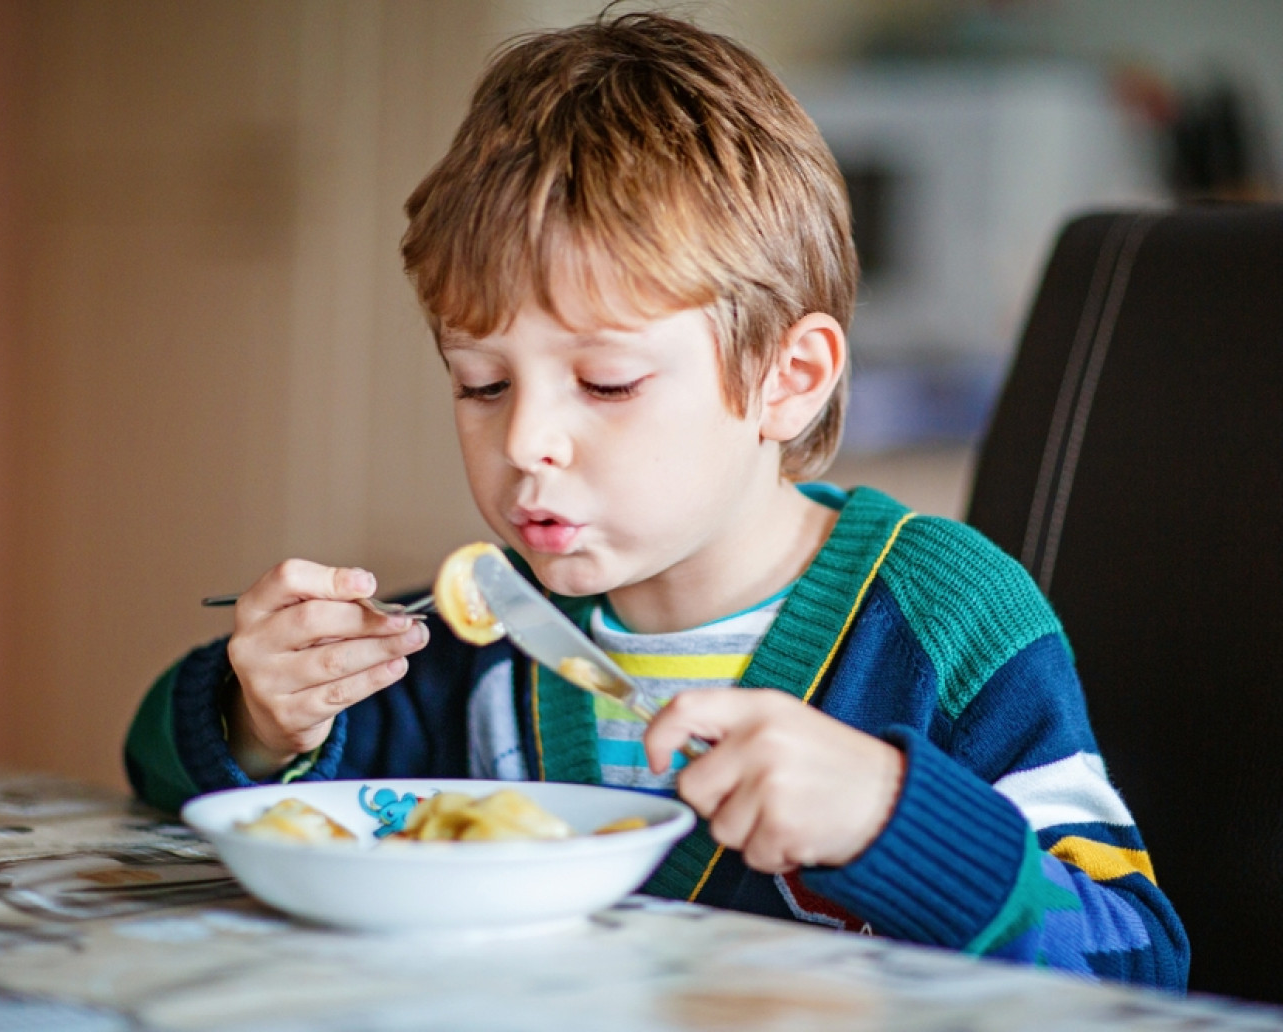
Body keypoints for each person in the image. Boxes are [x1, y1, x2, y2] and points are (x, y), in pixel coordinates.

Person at [124, 9, 1188, 987]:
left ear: (787, 378)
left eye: (606, 383)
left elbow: (1135, 967)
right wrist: (257, 713)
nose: (527, 441)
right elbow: (170, 782)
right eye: (480, 383)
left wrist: (890, 822)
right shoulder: (484, 642)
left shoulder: (942, 623)